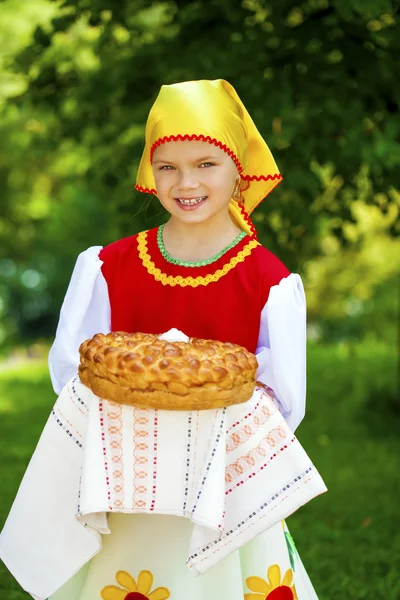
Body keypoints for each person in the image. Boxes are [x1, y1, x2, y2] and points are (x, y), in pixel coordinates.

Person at [0, 80, 326, 600]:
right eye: (167, 165)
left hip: (223, 486)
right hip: (128, 478)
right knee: (132, 579)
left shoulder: (267, 279)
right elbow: (76, 376)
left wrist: (203, 432)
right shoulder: (109, 266)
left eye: (205, 164)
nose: (184, 181)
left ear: (238, 169)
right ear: (151, 170)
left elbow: (283, 403)